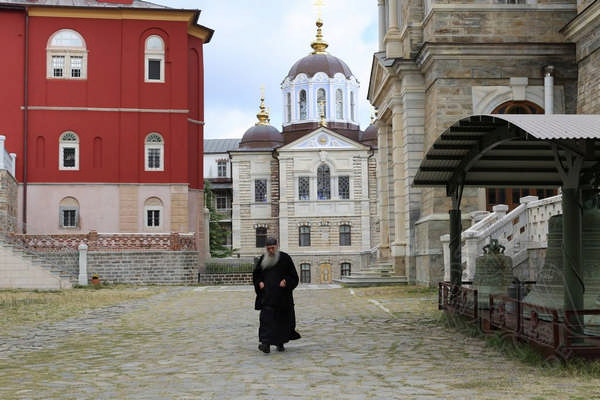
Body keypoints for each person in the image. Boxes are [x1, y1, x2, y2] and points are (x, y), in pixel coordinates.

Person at [253, 237, 301, 353]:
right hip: (267, 297)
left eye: (272, 248)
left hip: (282, 298)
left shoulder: (285, 258)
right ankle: (265, 344)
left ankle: (280, 343)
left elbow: (294, 277)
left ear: (277, 246)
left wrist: (286, 281)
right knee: (266, 320)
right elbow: (257, 274)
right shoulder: (263, 259)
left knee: (281, 321)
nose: (270, 251)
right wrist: (259, 282)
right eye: (268, 248)